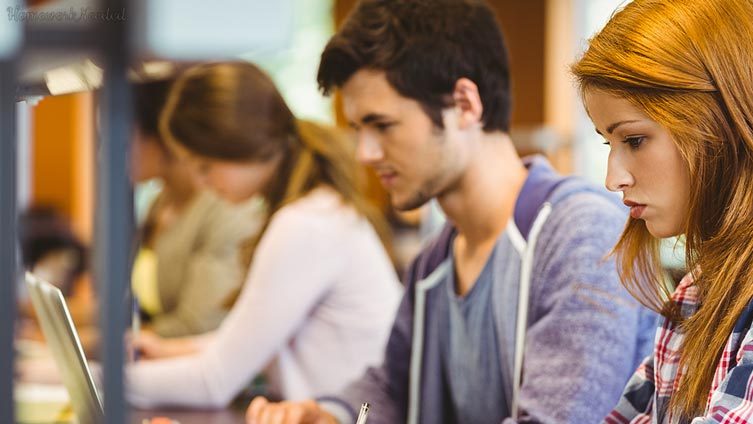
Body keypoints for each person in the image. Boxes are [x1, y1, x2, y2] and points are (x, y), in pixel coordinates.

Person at [246, 1, 655, 423]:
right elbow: (386, 391)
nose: (366, 154)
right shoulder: (433, 262)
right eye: (358, 130)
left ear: (464, 104)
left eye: (382, 126)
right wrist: (333, 414)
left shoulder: (581, 233)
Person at [571, 0, 753, 422]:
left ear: (720, 125)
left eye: (635, 140)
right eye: (609, 144)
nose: (614, 179)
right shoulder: (700, 289)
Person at [125, 62, 402, 408]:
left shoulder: (306, 224)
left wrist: (99, 377)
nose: (201, 183)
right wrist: (176, 349)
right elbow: (254, 338)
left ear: (241, 146)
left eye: (206, 167)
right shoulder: (313, 211)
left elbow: (214, 381)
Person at [129, 78, 263, 337]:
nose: (108, 150)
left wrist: (102, 343)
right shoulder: (161, 203)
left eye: (122, 136)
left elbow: (199, 325)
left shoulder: (225, 208)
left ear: (160, 137)